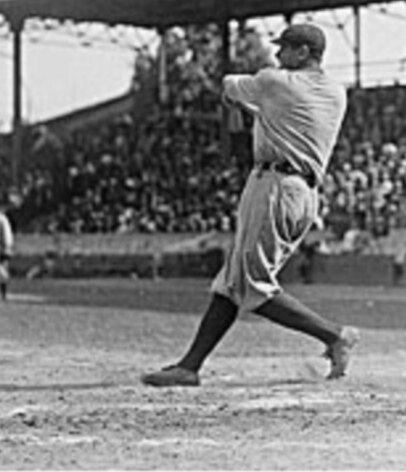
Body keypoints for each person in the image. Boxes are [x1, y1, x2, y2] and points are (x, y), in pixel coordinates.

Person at [141, 24, 359, 387]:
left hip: (273, 186)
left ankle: (335, 335)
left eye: (285, 48)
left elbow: (228, 83)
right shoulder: (334, 92)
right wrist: (252, 107)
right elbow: (284, 115)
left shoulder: (275, 81)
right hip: (304, 194)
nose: (277, 55)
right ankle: (189, 365)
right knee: (231, 283)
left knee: (253, 286)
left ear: (303, 52)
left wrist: (236, 100)